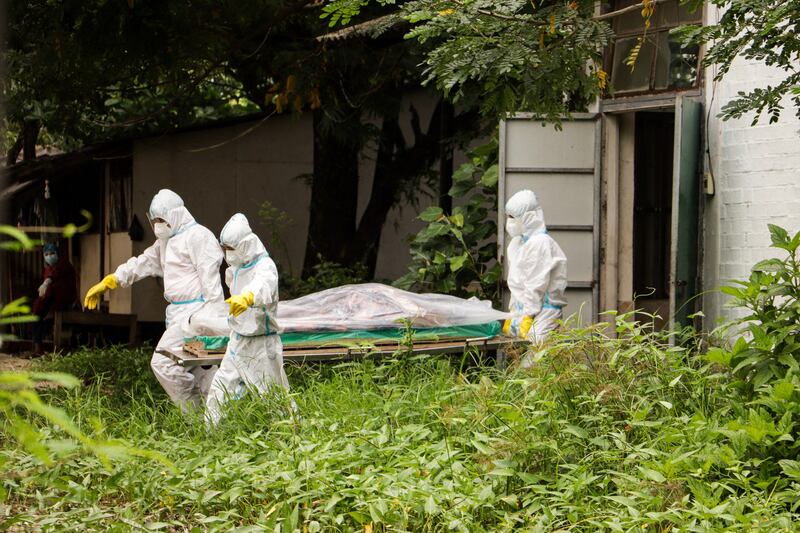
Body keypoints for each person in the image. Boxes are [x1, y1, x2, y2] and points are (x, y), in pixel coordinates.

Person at [84, 189, 224, 412]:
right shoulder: (165, 243)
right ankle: (217, 418)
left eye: (162, 219)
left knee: (163, 362)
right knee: (200, 369)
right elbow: (142, 263)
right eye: (156, 219)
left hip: (197, 313)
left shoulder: (198, 236)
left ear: (176, 215)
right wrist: (111, 280)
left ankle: (194, 414)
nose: (158, 224)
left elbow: (211, 282)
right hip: (178, 314)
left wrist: (214, 319)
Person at [205, 213, 291, 426]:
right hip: (238, 340)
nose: (227, 253)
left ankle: (291, 437)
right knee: (219, 390)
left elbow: (264, 285)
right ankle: (210, 435)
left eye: (231, 248)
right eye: (225, 248)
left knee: (273, 397)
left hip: (261, 344)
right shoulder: (235, 268)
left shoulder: (265, 266)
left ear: (245, 246)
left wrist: (248, 296)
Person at [502, 190, 567, 368]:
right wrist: (514, 313)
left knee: (533, 367)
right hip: (525, 313)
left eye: (514, 217)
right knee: (518, 366)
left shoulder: (541, 244)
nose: (510, 222)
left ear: (529, 217)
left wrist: (528, 315)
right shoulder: (517, 244)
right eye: (508, 217)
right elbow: (517, 284)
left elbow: (536, 284)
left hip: (545, 313)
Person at [32, 242, 78, 354]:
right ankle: (38, 348)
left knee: (48, 322)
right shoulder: (47, 268)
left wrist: (47, 281)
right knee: (35, 318)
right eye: (46, 254)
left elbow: (56, 275)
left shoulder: (64, 264)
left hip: (63, 302)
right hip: (49, 302)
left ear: (57, 254)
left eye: (52, 253)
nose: (49, 256)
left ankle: (56, 349)